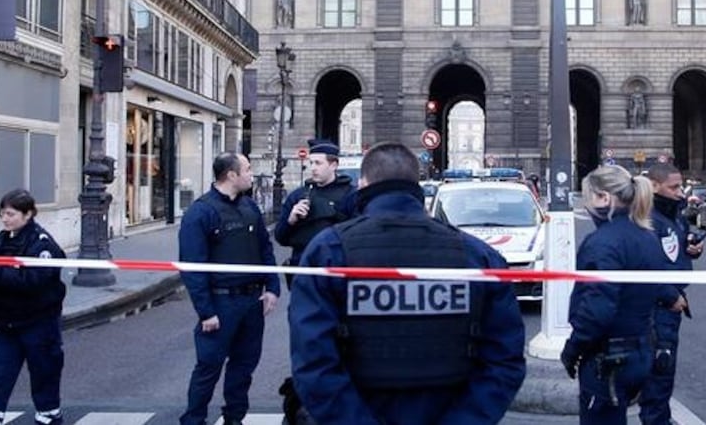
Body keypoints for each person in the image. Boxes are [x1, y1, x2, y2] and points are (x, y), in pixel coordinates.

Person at [289, 141, 526, 425]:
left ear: (363, 184)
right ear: (418, 185)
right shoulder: (478, 256)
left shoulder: (328, 250)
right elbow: (504, 360)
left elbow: (313, 363)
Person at [561, 165, 685, 425]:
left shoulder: (603, 242)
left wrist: (573, 349)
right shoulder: (646, 235)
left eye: (588, 198)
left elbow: (598, 308)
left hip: (608, 357)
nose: (586, 206)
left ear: (604, 198)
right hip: (640, 348)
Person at [179, 153, 280, 425]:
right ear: (231, 175)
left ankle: (234, 418)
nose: (251, 173)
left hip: (251, 302)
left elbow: (265, 249)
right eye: (247, 169)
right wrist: (205, 312)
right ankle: (193, 419)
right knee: (208, 367)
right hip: (220, 304)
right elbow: (192, 267)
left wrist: (272, 287)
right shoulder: (200, 212)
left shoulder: (250, 208)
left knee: (244, 367)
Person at [0, 189, 67, 425]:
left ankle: (49, 414)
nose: (5, 219)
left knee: (44, 375)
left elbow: (33, 281)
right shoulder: (3, 239)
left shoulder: (42, 245)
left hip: (39, 324)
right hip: (7, 324)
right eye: (3, 213)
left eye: (11, 214)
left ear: (28, 214)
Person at [639, 163, 704, 425]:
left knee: (663, 377)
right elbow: (645, 265)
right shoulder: (648, 217)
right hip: (658, 307)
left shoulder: (673, 214)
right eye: (674, 187)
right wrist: (670, 296)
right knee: (658, 376)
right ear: (655, 186)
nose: (681, 192)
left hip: (670, 304)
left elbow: (675, 246)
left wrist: (691, 249)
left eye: (681, 186)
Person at [274, 139, 357, 276]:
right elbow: (280, 237)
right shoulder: (298, 195)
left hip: (336, 269)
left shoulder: (350, 195)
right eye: (311, 162)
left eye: (318, 163)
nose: (313, 168)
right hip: (303, 269)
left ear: (334, 165)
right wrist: (290, 221)